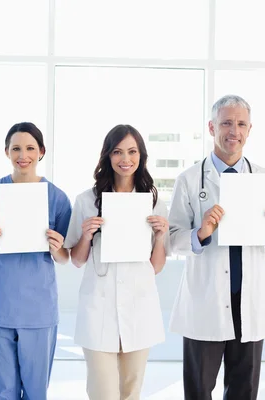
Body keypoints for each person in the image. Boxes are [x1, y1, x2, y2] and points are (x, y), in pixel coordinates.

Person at [168, 94, 265, 400]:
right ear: (211, 127)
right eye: (226, 123)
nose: (233, 130)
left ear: (249, 130)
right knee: (198, 391)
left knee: (244, 391)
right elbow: (172, 238)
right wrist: (201, 231)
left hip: (249, 302)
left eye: (240, 124)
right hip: (205, 300)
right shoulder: (189, 179)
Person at [63, 124, 170, 400]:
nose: (126, 159)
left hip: (139, 308)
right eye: (118, 152)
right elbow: (76, 260)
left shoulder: (154, 200)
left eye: (132, 152)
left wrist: (160, 237)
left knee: (131, 392)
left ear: (141, 156)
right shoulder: (87, 200)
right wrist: (86, 235)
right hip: (99, 309)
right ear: (107, 156)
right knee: (102, 392)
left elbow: (156, 266)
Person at [0, 122, 72, 400]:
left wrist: (56, 248)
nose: (23, 155)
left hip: (38, 309)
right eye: (16, 148)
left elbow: (65, 258)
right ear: (6, 152)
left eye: (30, 148)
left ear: (41, 152)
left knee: (36, 391)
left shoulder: (58, 198)